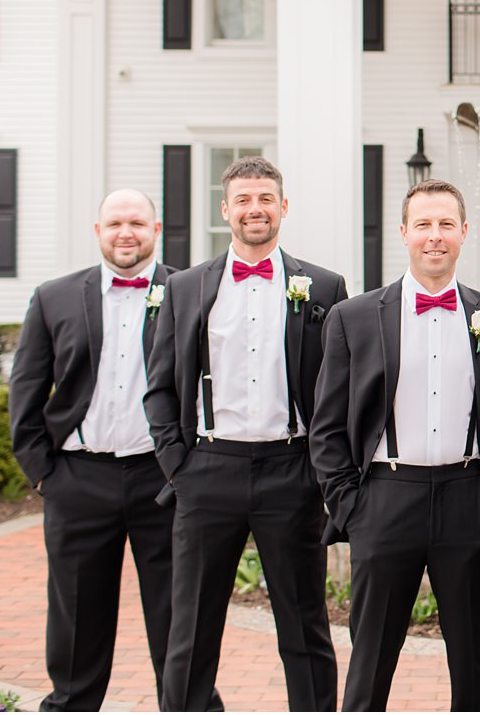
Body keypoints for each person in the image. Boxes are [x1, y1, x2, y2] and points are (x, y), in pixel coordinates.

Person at [143, 155, 346, 711]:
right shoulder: (185, 288)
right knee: (191, 625)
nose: (254, 209)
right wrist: (178, 467)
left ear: (283, 206)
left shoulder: (324, 286)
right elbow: (159, 385)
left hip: (292, 473)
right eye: (243, 200)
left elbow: (338, 388)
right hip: (208, 473)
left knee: (304, 623)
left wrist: (317, 473)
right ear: (225, 210)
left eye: (265, 199)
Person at [310, 179, 480, 711]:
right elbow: (326, 426)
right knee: (371, 654)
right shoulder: (355, 317)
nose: (434, 237)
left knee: (473, 656)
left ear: (464, 232)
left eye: (445, 224)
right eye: (423, 225)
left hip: (469, 497)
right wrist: (350, 507)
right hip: (385, 498)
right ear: (404, 232)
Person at [8, 190, 183, 711]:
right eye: (114, 223)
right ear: (97, 230)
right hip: (77, 479)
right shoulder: (54, 297)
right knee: (77, 615)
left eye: (136, 222)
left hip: (163, 479)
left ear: (156, 229)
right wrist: (43, 473)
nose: (125, 233)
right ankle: (71, 705)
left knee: (178, 612)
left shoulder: (189, 290)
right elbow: (26, 388)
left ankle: (187, 704)